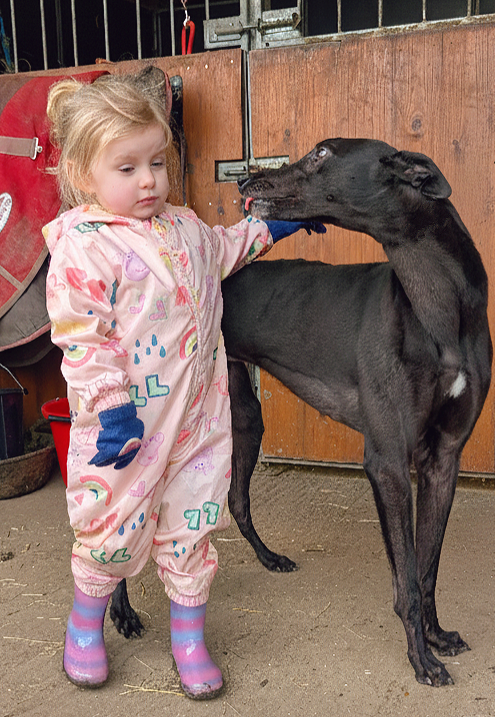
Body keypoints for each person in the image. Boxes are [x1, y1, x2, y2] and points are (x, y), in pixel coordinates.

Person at [43, 71, 324, 699]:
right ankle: (85, 627)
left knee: (193, 527)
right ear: (84, 176)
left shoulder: (183, 228)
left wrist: (272, 228)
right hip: (128, 429)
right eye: (127, 168)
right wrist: (113, 410)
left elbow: (220, 250)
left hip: (198, 419)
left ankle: (188, 638)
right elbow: (82, 339)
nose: (148, 180)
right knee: (111, 531)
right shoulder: (83, 251)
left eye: (157, 163)